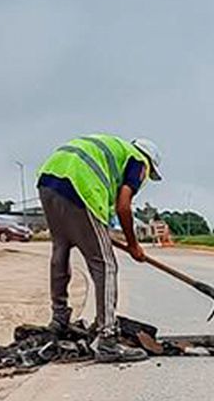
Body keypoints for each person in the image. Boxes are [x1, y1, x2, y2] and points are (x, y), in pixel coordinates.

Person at [35, 134, 161, 363]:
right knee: (105, 264)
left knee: (61, 248)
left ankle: (59, 321)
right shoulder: (138, 160)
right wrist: (133, 245)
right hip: (80, 186)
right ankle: (108, 339)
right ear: (149, 164)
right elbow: (124, 206)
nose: (145, 179)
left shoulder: (115, 148)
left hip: (48, 179)